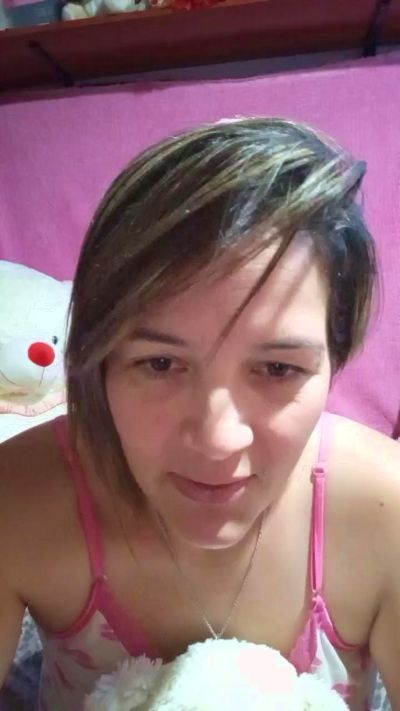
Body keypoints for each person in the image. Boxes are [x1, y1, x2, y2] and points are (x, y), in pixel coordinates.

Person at [0, 117, 399, 711]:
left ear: (333, 360)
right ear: (97, 363)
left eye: (277, 369)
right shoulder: (18, 498)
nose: (217, 440)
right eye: (160, 364)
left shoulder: (386, 513)